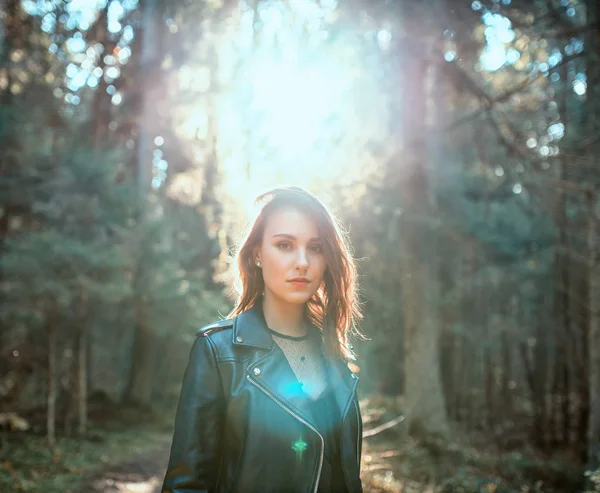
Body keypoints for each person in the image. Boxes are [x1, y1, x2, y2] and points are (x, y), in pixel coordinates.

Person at [161, 186, 364, 493]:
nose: (302, 262)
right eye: (284, 245)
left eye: (316, 248)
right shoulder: (218, 352)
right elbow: (186, 484)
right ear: (257, 254)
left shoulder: (337, 359)